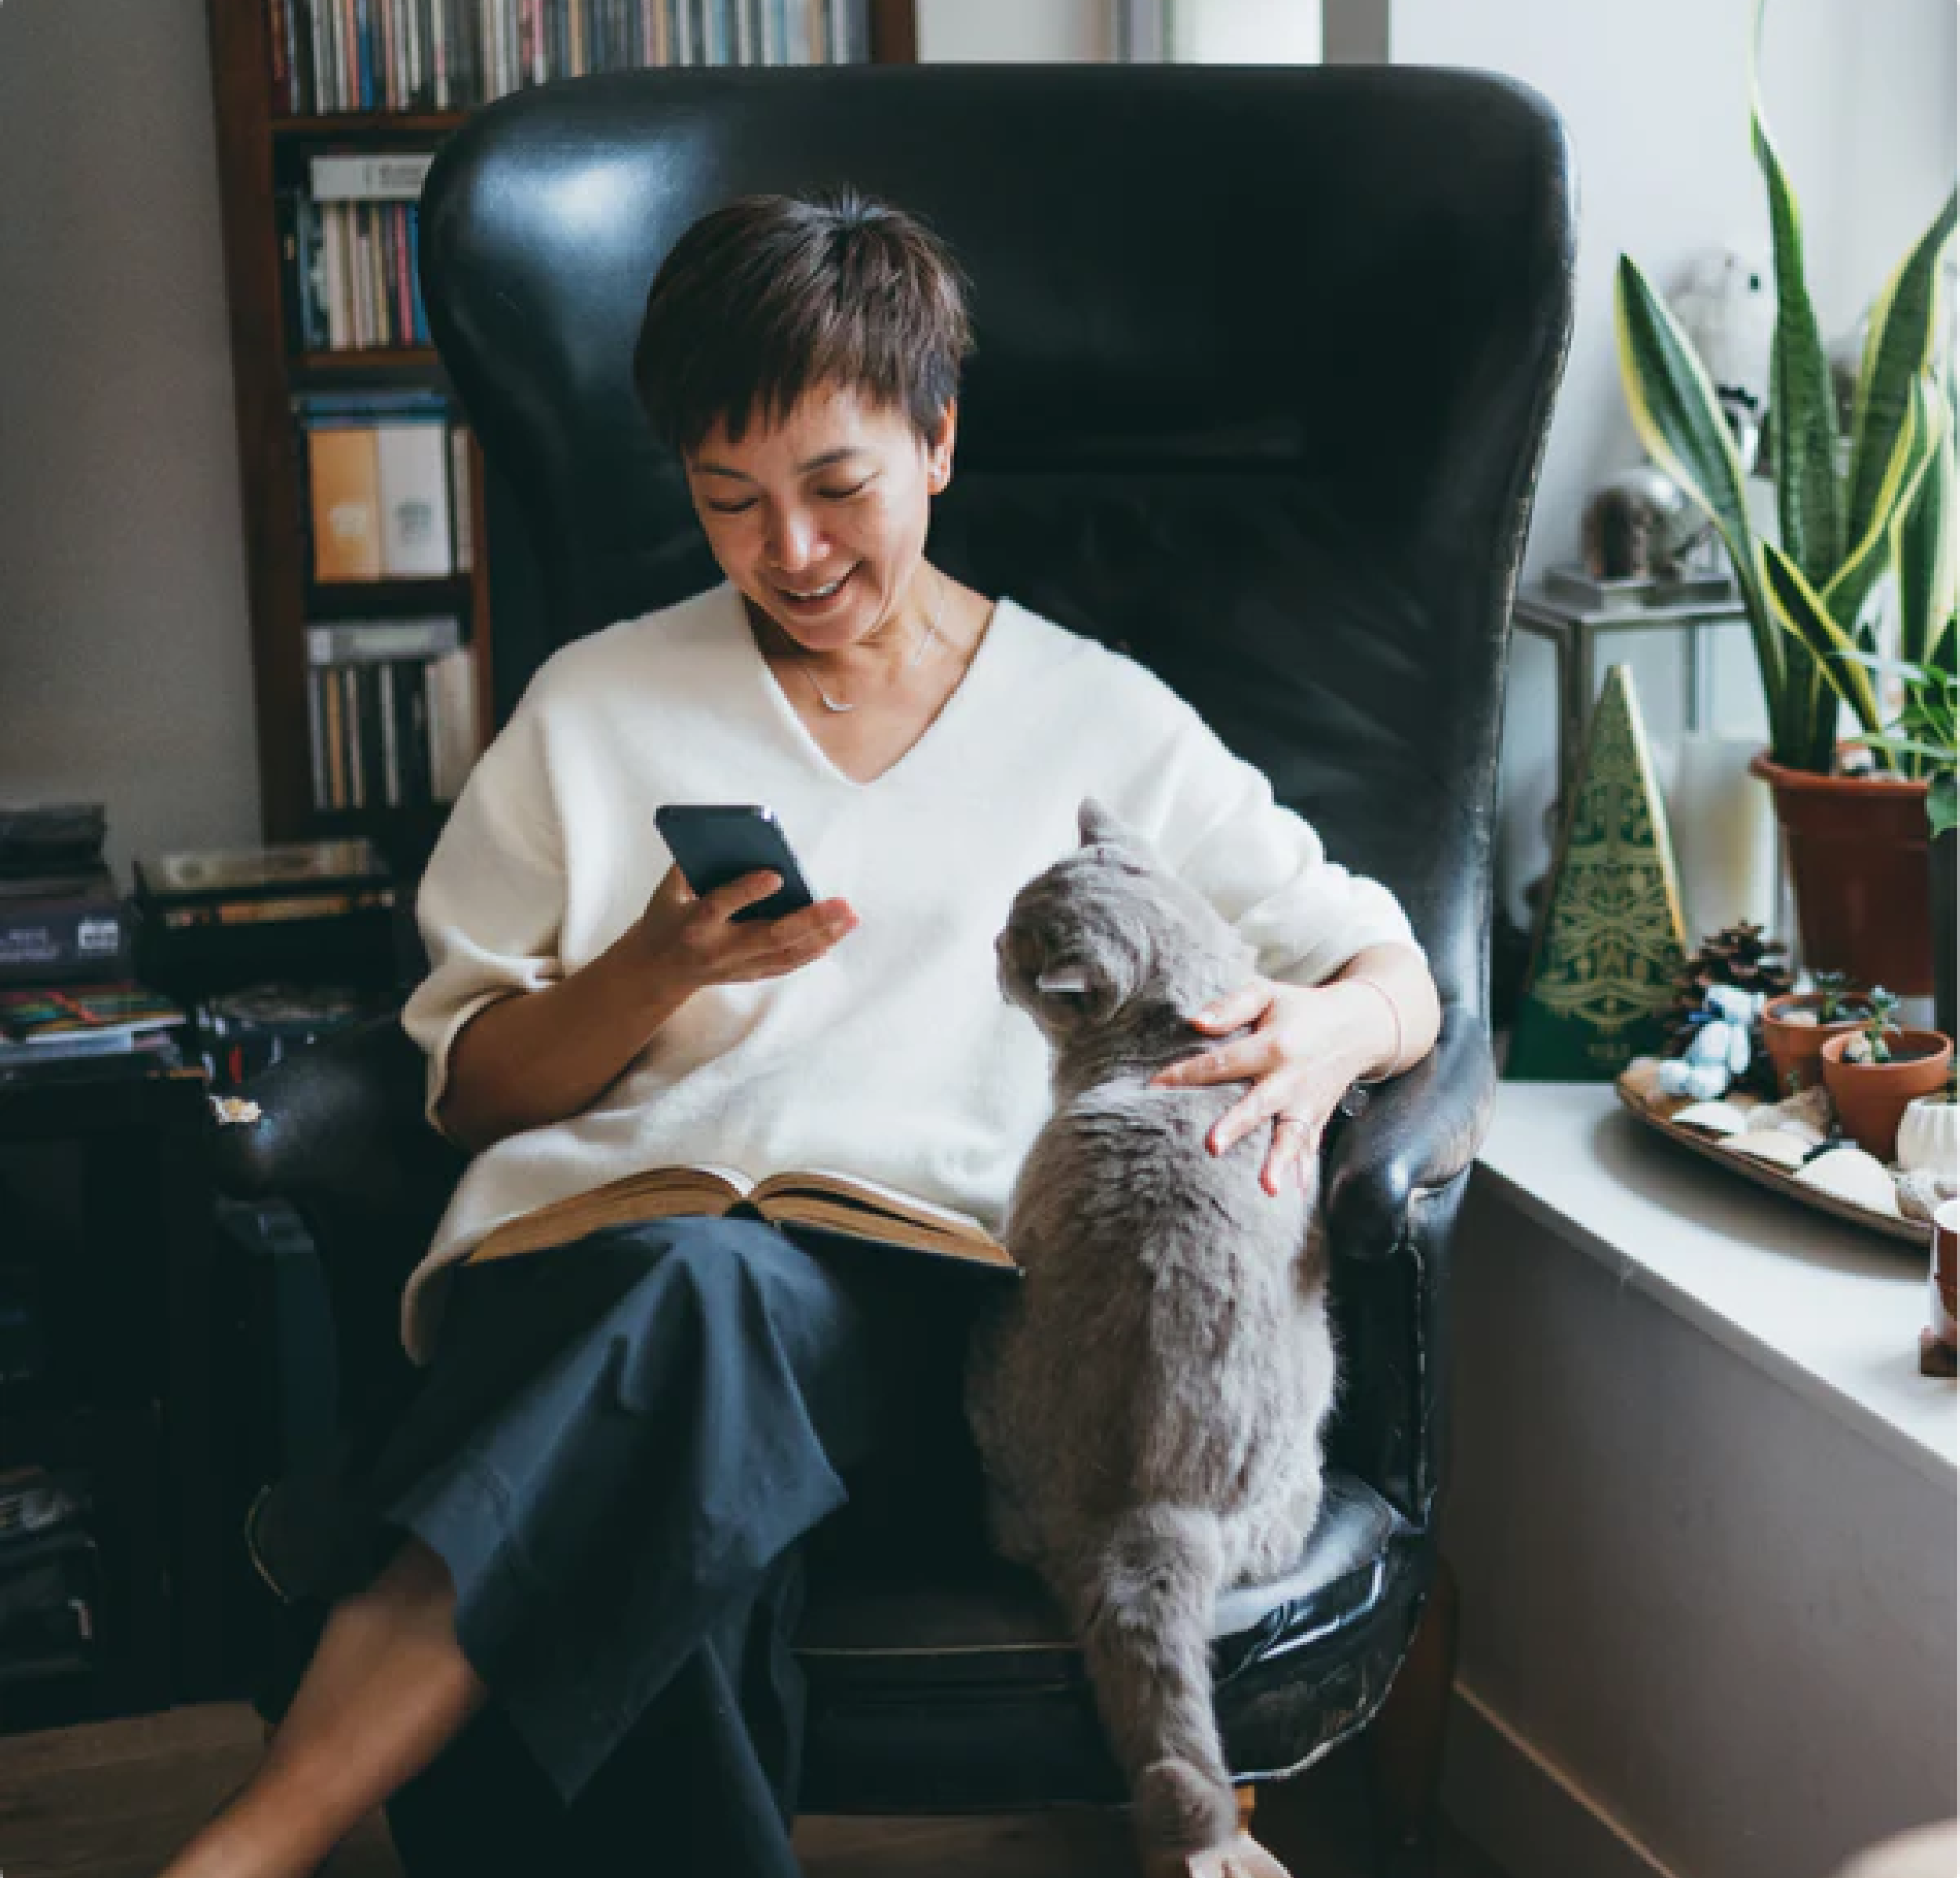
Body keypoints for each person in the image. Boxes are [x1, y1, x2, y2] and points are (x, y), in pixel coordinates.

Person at [163, 187, 1441, 1878]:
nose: (793, 552)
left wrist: (1321, 1041)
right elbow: (471, 1092)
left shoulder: (1092, 715)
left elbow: (1382, 959)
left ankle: (253, 1846)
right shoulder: (595, 706)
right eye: (728, 503)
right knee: (683, 1388)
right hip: (594, 1264)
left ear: (936, 439)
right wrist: (647, 969)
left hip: (928, 1321)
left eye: (838, 487)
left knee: (697, 1328)